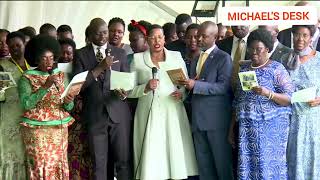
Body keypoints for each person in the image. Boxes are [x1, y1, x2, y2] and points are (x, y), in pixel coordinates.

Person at [129, 24, 198, 180]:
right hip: (148, 113)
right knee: (152, 156)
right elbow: (129, 91)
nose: (156, 41)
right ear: (147, 40)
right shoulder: (137, 59)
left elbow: (184, 85)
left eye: (159, 37)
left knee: (173, 154)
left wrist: (181, 93)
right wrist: (145, 87)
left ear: (165, 39)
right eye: (152, 38)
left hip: (173, 111)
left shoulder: (176, 56)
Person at [229, 28, 294, 179]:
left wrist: (268, 93)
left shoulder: (277, 69)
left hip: (271, 132)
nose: (254, 52)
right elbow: (238, 100)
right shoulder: (244, 69)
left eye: (258, 49)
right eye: (251, 48)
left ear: (268, 49)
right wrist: (231, 128)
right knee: (249, 167)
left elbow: (290, 98)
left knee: (268, 168)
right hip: (247, 129)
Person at [73, 18, 132, 180]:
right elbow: (78, 87)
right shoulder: (80, 54)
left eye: (105, 32)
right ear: (90, 34)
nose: (102, 36)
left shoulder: (120, 53)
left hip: (119, 114)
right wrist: (100, 67)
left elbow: (127, 82)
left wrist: (125, 92)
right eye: (97, 33)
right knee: (99, 163)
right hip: (95, 115)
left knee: (123, 161)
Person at [179, 21, 233, 180]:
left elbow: (223, 87)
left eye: (204, 36)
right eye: (198, 35)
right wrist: (184, 90)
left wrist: (196, 85)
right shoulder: (197, 58)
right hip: (198, 119)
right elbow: (196, 84)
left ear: (215, 37)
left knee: (222, 166)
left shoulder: (223, 58)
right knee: (204, 167)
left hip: (216, 121)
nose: (199, 39)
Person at [18, 34, 76, 179]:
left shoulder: (60, 75)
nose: (49, 62)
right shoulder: (26, 77)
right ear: (36, 58)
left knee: (58, 164)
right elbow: (26, 104)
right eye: (44, 58)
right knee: (40, 165)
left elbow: (68, 107)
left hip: (59, 129)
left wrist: (69, 100)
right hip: (37, 131)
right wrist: (45, 86)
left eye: (51, 57)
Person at [285, 25, 320, 179]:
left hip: (312, 120)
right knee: (291, 158)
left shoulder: (319, 59)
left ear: (311, 38)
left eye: (304, 35)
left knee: (312, 159)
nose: (300, 39)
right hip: (290, 119)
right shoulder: (285, 58)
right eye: (297, 34)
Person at [0, 31, 29, 180]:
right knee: (11, 158)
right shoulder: (2, 66)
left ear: (25, 45)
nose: (15, 48)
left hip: (30, 121)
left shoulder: (33, 65)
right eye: (12, 46)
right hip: (9, 121)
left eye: (18, 45)